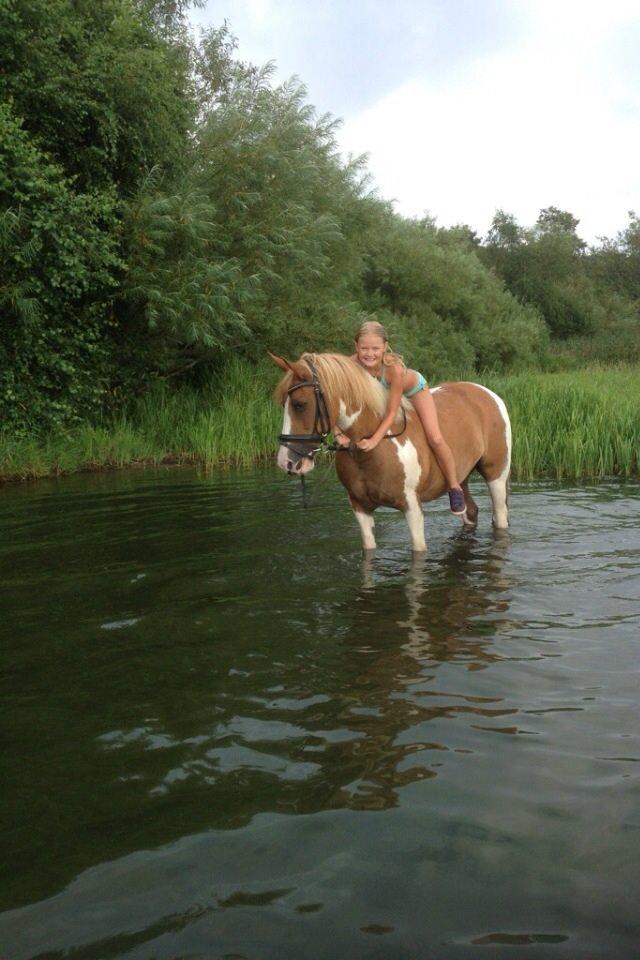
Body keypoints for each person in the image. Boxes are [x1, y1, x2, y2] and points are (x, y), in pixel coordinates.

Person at [334, 320, 466, 515]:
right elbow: (335, 405)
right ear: (356, 347)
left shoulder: (393, 369)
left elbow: (391, 412)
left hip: (413, 390)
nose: (369, 353)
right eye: (364, 348)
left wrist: (373, 440)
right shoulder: (349, 367)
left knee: (435, 437)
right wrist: (338, 434)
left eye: (375, 348)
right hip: (378, 394)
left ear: (385, 347)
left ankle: (455, 487)